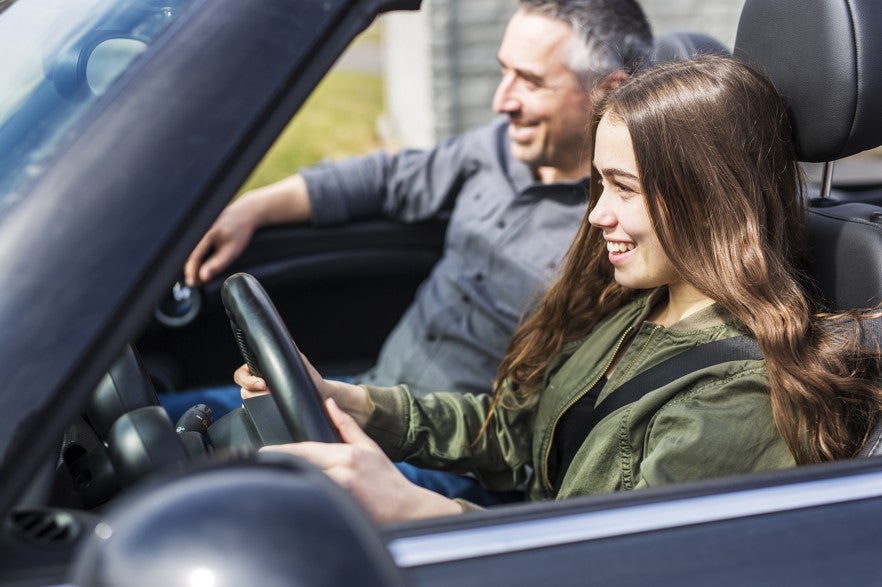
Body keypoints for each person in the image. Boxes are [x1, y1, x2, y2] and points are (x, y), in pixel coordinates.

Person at [238, 55, 882, 523]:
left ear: (710, 200)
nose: (597, 213)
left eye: (623, 188)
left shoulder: (734, 397)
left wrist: (417, 511)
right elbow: (513, 431)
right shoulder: (641, 306)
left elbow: (599, 562)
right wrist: (348, 401)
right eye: (599, 185)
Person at [179, 0, 654, 400]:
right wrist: (249, 209)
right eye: (503, 72)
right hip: (364, 393)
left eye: (529, 81)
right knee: (166, 420)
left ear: (606, 92)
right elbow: (384, 177)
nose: (501, 101)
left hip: (444, 456)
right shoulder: (494, 148)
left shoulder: (620, 230)